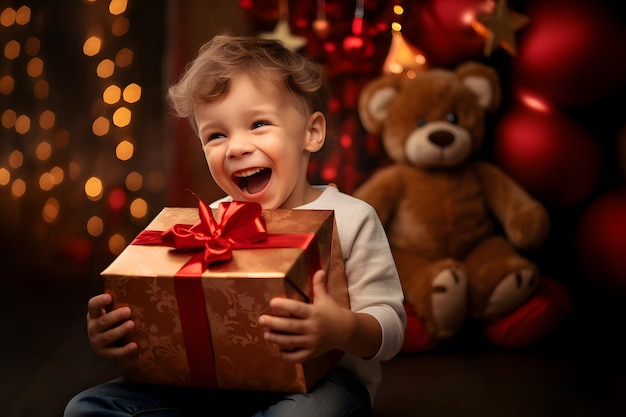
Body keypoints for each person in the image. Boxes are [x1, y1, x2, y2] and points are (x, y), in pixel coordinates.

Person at [64, 34, 406, 417]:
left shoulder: (352, 217)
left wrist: (340, 329)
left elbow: (391, 328)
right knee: (88, 408)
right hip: (220, 387)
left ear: (311, 133)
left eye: (259, 124)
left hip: (324, 387)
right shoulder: (207, 224)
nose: (236, 147)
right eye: (216, 135)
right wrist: (117, 330)